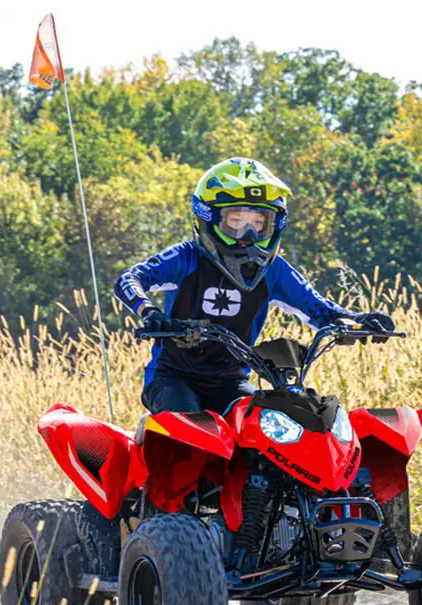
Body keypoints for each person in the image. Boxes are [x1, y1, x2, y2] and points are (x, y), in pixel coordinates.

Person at [113, 156, 393, 415]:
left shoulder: (274, 270)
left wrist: (358, 321)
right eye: (236, 221)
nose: (247, 235)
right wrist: (149, 312)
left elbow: (319, 309)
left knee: (269, 428)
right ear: (208, 218)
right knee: (191, 429)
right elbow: (129, 279)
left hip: (232, 383)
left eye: (259, 223)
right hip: (171, 378)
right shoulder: (186, 257)